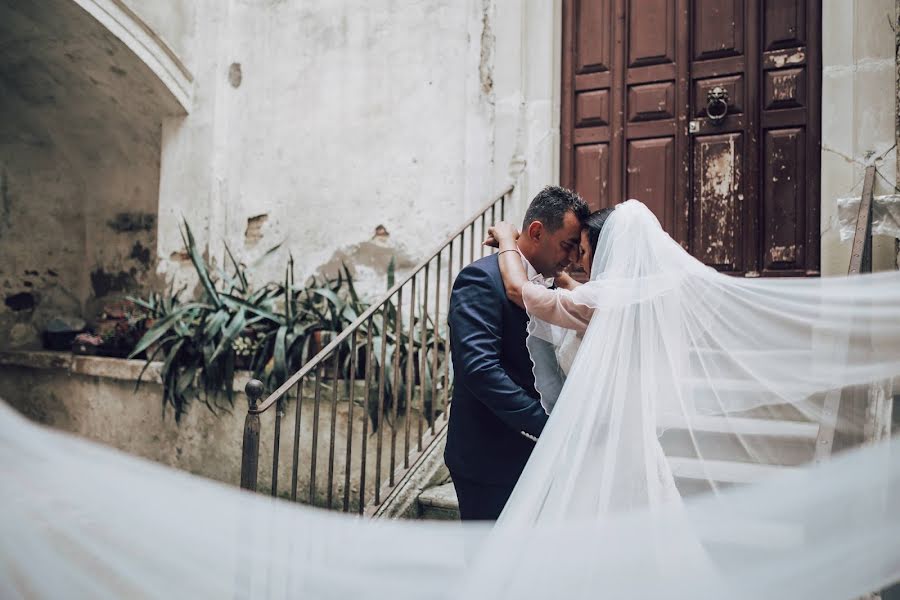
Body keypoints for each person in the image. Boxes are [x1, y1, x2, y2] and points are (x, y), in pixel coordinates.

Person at [443, 186, 588, 521]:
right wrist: (547, 427)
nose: (572, 258)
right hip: (492, 459)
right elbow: (480, 370)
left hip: (541, 458)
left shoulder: (554, 286)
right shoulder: (481, 278)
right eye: (568, 245)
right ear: (536, 231)